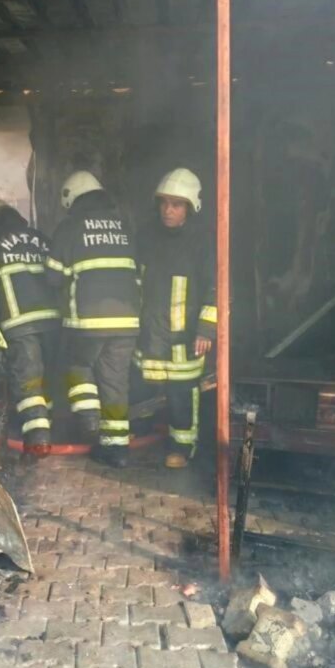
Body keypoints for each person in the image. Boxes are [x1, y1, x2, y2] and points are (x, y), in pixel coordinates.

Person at [46, 171, 139, 468]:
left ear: (72, 197)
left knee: (77, 367)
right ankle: (117, 449)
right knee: (115, 382)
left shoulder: (70, 227)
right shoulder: (124, 225)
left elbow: (52, 277)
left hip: (86, 323)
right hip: (127, 323)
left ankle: (89, 423)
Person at [135, 168, 216, 469]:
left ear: (191, 207)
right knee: (141, 385)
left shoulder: (202, 242)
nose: (168, 210)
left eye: (177, 204)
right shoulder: (146, 236)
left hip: (185, 338)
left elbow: (216, 287)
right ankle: (140, 433)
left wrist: (206, 329)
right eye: (164, 203)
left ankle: (182, 447)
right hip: (150, 333)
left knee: (183, 394)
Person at [0, 200, 60, 456]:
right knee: (47, 379)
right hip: (54, 321)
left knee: (27, 380)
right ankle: (47, 426)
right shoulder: (39, 238)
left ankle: (37, 439)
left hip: (20, 323)